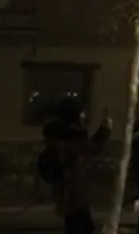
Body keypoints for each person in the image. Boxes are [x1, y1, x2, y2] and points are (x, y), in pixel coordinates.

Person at [41, 99, 112, 234]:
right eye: (81, 114)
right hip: (73, 190)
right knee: (78, 225)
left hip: (70, 190)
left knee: (81, 225)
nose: (83, 117)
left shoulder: (59, 135)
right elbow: (93, 148)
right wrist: (105, 129)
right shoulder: (70, 136)